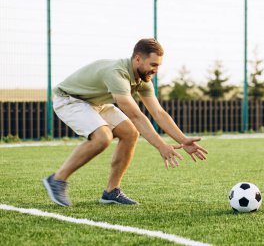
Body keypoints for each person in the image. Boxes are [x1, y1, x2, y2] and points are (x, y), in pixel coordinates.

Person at [43, 38, 208, 207]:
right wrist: (161, 145)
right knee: (103, 137)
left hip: (95, 103)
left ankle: (111, 192)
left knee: (130, 133)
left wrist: (182, 139)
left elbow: (158, 113)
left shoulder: (143, 79)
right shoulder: (117, 73)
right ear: (137, 59)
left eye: (158, 65)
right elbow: (136, 116)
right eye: (153, 64)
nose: (156, 70)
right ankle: (57, 179)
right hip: (69, 99)